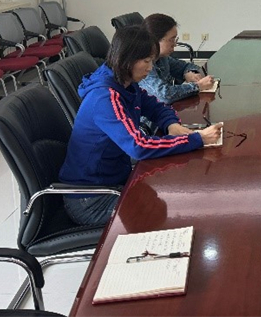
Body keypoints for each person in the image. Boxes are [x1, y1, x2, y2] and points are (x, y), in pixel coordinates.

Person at [59, 25, 222, 225]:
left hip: (115, 179)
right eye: (146, 61)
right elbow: (139, 146)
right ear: (127, 59)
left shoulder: (126, 83)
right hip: (91, 198)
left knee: (174, 194)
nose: (150, 68)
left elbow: (156, 106)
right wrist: (197, 139)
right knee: (167, 214)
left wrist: (171, 124)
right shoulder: (105, 97)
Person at [140, 13, 215, 104]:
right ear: (154, 40)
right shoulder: (143, 64)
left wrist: (188, 73)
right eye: (171, 40)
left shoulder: (162, 58)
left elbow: (186, 66)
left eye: (175, 39)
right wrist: (199, 86)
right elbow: (164, 95)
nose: (175, 44)